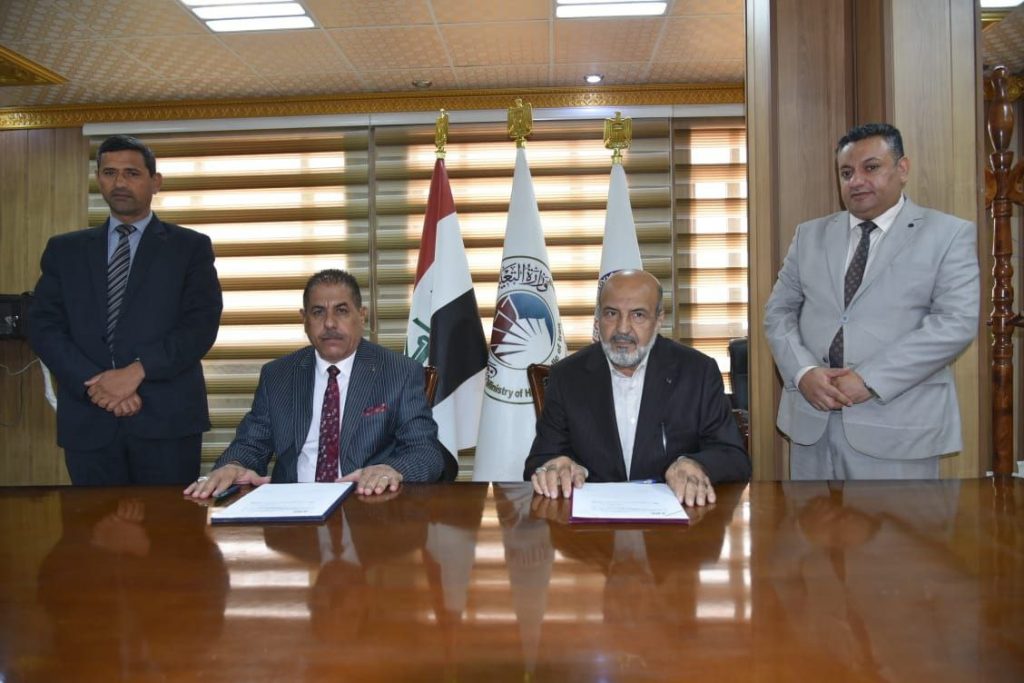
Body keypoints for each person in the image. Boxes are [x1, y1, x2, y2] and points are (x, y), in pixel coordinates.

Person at [764, 123, 980, 479]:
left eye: (871, 167)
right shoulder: (809, 235)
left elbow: (954, 324)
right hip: (811, 423)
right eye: (846, 172)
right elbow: (778, 312)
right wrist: (803, 373)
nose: (856, 181)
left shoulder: (947, 234)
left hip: (899, 428)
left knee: (897, 521)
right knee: (805, 518)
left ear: (902, 168)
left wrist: (869, 379)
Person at [29, 134, 222, 485]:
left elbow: (200, 326)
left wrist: (136, 372)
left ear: (155, 182)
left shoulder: (189, 248)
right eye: (109, 173)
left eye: (131, 173)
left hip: (167, 421)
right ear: (98, 179)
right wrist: (97, 384)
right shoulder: (64, 250)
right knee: (93, 520)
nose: (119, 183)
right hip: (89, 419)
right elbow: (43, 326)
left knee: (169, 520)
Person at [186, 269, 444, 498]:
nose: (329, 323)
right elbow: (251, 443)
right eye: (318, 312)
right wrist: (234, 465)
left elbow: (425, 451)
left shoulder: (399, 372)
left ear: (362, 316)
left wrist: (392, 469)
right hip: (293, 508)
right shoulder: (278, 375)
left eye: (341, 311)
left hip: (366, 503)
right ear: (304, 319)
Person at [524, 269, 750, 506]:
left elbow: (734, 458)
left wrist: (695, 464)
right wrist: (557, 466)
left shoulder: (698, 372)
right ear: (598, 318)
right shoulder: (567, 376)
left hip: (676, 519)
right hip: (592, 522)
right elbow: (538, 461)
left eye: (638, 315)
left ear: (659, 319)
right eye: (611, 313)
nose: (623, 329)